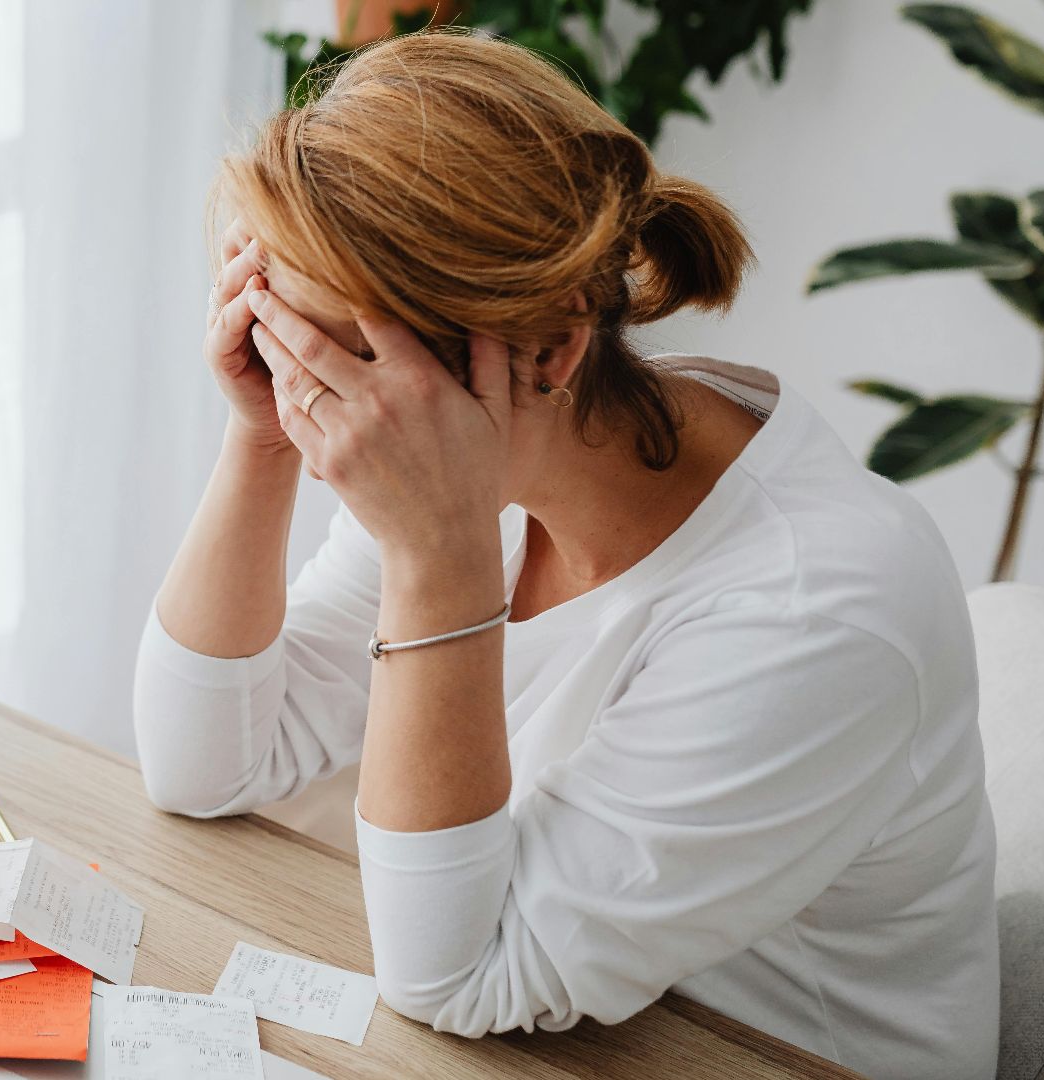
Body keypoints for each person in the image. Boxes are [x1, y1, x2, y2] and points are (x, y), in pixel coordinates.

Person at [132, 30, 998, 1080]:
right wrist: (260, 435)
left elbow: (456, 978)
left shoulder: (818, 607)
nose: (322, 413)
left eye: (331, 360)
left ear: (548, 350)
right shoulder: (483, 436)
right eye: (276, 340)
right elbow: (206, 765)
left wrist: (438, 557)